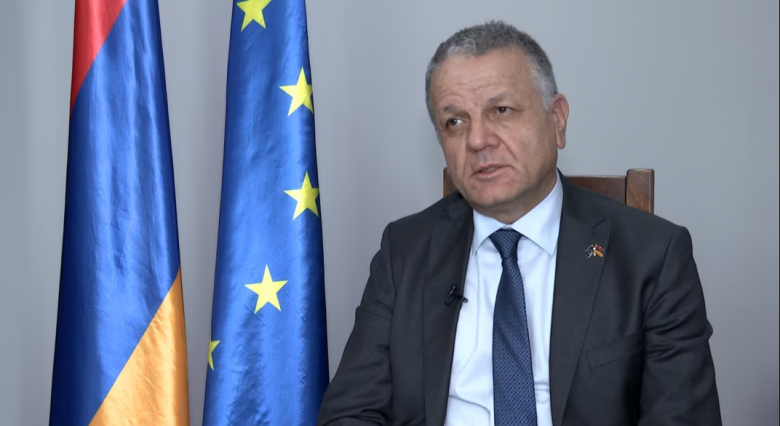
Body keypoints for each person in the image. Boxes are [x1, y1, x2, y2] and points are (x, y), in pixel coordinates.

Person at [317, 20, 722, 426]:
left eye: (501, 111)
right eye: (455, 121)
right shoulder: (404, 251)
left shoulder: (652, 255)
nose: (478, 140)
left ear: (557, 119)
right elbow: (350, 413)